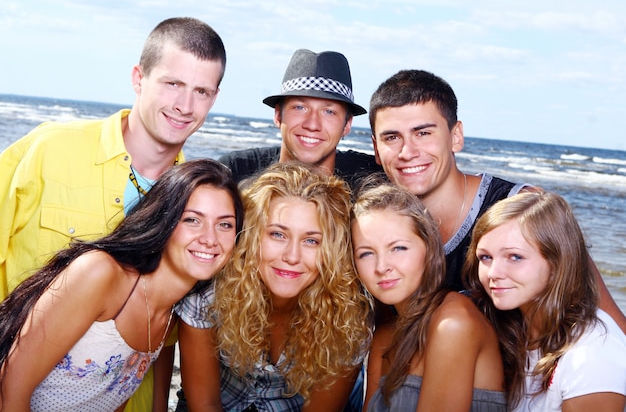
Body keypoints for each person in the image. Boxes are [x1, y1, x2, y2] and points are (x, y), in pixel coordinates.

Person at [0, 17, 227, 411]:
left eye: (201, 91)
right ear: (139, 78)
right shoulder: (49, 150)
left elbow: (161, 346)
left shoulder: (195, 205)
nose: (184, 105)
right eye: (172, 84)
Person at [368, 69, 626, 332]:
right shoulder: (378, 226)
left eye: (423, 133)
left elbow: (608, 319)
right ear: (376, 149)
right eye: (392, 137)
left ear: (455, 136)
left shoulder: (521, 208)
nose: (407, 152)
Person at [0, 159, 244, 412]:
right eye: (192, 220)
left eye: (224, 224)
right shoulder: (102, 274)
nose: (210, 238)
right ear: (165, 219)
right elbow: (10, 389)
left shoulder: (169, 314)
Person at [176, 162, 373, 411]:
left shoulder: (348, 318)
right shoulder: (207, 296)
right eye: (278, 234)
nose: (292, 256)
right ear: (252, 234)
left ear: (331, 251)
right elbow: (205, 406)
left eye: (311, 240)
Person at [351, 180, 506, 411]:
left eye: (398, 248)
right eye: (366, 253)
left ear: (429, 249)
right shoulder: (384, 338)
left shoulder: (453, 323)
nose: (382, 266)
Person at [463, 191, 626, 411]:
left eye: (515, 257)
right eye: (485, 257)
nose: (494, 272)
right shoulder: (511, 328)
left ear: (557, 263)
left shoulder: (592, 353)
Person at [217, 48, 383, 191]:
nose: (312, 124)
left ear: (347, 125)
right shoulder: (234, 172)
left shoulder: (371, 179)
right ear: (278, 115)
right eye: (299, 108)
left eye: (329, 112)